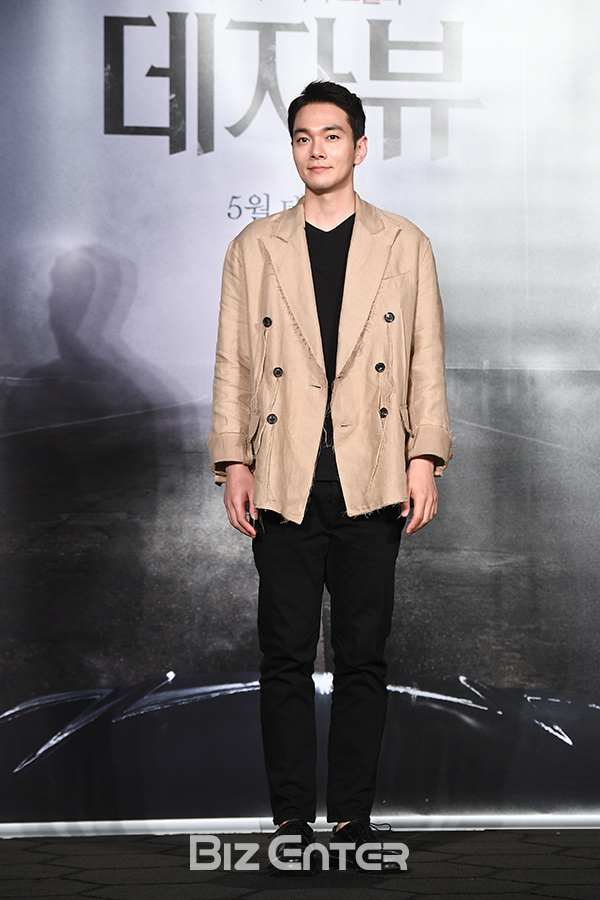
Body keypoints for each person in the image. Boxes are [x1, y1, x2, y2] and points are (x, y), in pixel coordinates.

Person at [209, 80, 452, 873]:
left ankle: (351, 819)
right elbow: (233, 362)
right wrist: (234, 460)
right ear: (293, 148)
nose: (317, 150)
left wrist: (424, 457)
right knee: (283, 655)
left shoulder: (404, 243)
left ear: (360, 146)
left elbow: (424, 358)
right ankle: (290, 820)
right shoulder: (254, 247)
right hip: (283, 473)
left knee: (362, 655)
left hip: (371, 471)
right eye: (303, 137)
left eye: (332, 135)